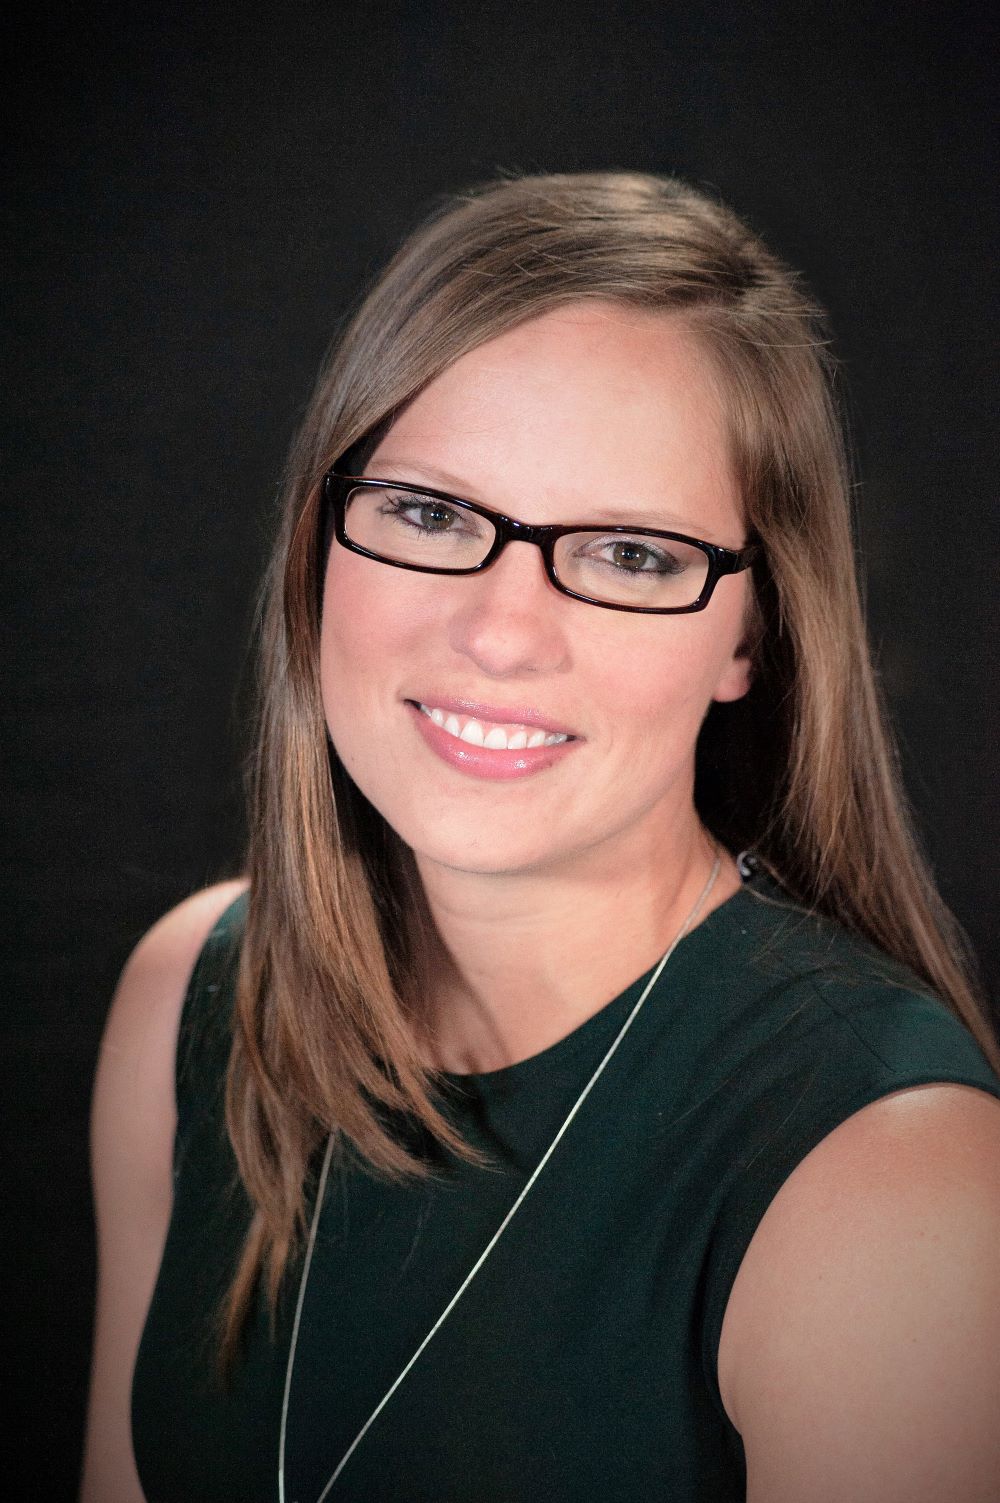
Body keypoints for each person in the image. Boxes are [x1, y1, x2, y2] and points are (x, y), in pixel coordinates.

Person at [81, 172, 1000, 1503]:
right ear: (319, 537)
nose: (504, 631)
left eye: (629, 553)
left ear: (751, 632)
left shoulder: (892, 1183)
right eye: (431, 513)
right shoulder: (194, 995)